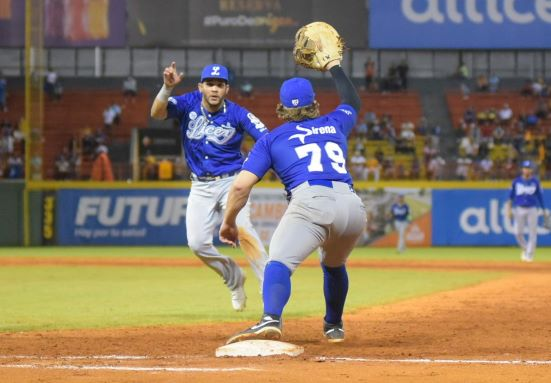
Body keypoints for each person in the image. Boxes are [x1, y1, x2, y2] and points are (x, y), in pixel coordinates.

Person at [219, 58, 365, 344]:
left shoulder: (272, 139)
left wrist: (228, 222)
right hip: (352, 207)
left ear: (282, 107)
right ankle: (334, 326)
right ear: (314, 103)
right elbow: (352, 101)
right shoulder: (335, 122)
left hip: (311, 202)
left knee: (278, 263)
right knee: (334, 265)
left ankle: (270, 318)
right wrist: (335, 65)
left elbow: (239, 188)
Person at [150, 62, 269, 311]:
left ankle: (269, 288)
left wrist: (251, 167)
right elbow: (157, 113)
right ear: (201, 86)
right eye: (210, 84)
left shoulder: (237, 113)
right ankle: (234, 279)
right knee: (197, 243)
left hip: (231, 182)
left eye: (220, 85)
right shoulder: (188, 103)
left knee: (244, 229)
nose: (214, 89)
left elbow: (267, 139)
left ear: (227, 89)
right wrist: (166, 88)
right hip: (200, 185)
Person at [506, 160, 547, 262]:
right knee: (517, 233)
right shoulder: (516, 181)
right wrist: (508, 210)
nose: (526, 170)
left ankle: (529, 255)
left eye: (528, 168)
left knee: (532, 233)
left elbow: (540, 197)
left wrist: (544, 210)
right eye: (525, 168)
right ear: (522, 169)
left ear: (531, 170)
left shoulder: (536, 182)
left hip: (532, 209)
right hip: (519, 208)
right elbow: (510, 197)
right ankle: (526, 249)